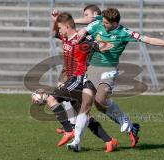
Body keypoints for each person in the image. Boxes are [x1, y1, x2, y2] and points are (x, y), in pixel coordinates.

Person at [71, 6, 164, 148]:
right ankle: (76, 142)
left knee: (101, 99)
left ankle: (126, 122)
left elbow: (149, 39)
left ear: (115, 23)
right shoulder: (98, 23)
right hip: (91, 69)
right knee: (87, 104)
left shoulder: (124, 32)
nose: (103, 24)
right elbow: (86, 28)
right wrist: (81, 33)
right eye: (103, 21)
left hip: (108, 69)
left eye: (106, 23)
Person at [47, 11, 117, 152]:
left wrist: (103, 44)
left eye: (60, 27)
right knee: (83, 116)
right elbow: (53, 33)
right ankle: (109, 140)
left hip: (78, 79)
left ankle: (68, 130)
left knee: (51, 98)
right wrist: (55, 21)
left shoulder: (83, 39)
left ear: (67, 26)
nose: (59, 30)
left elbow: (104, 46)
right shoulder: (65, 37)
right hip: (71, 80)